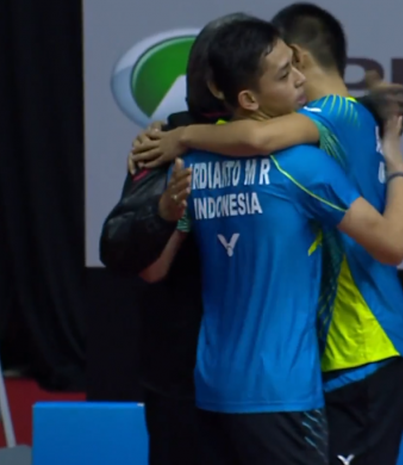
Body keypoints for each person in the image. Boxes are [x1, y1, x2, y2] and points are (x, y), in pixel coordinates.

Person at [130, 4, 403, 465]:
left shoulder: (198, 164)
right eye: (284, 74)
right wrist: (397, 161)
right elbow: (393, 243)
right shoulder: (304, 163)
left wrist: (178, 143)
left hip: (224, 384)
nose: (297, 82)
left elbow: (152, 268)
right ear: (248, 96)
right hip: (290, 386)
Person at [98, 13, 249, 465]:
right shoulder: (162, 146)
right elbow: (129, 254)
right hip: (182, 375)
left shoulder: (286, 143)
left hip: (267, 376)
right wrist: (165, 215)